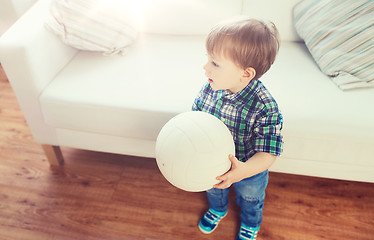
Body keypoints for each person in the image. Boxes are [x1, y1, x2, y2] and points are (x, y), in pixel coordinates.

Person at [192, 17, 283, 240]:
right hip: (213, 161)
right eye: (208, 59)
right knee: (214, 189)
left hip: (248, 169)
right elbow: (197, 117)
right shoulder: (212, 87)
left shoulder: (265, 107)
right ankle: (218, 209)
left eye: (214, 63)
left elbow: (269, 151)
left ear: (245, 74)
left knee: (251, 198)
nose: (205, 67)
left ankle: (251, 222)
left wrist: (243, 171)